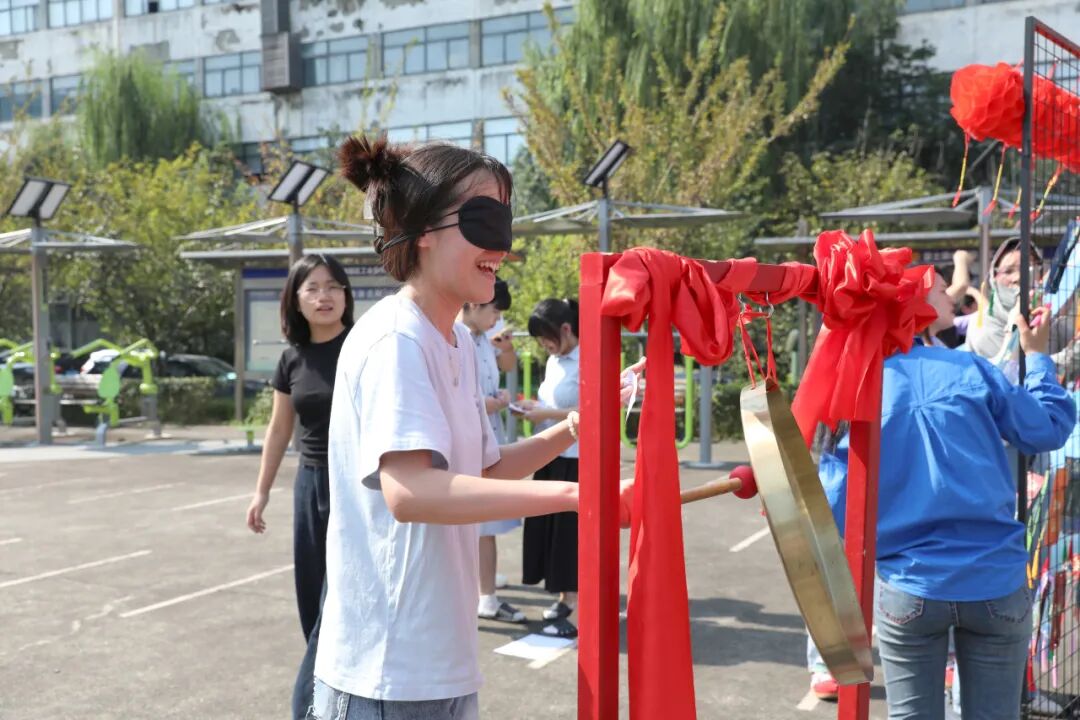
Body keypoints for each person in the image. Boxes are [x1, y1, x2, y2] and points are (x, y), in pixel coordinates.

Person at [310, 135, 633, 720]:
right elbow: (412, 492)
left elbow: (487, 468)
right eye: (485, 220)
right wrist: (579, 495)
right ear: (424, 231)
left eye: (504, 222)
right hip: (387, 671)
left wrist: (577, 425)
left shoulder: (455, 339)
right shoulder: (396, 339)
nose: (501, 247)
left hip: (440, 659)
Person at [817, 271, 1074, 719]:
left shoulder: (855, 389)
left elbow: (835, 504)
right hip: (995, 577)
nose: (946, 293)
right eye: (934, 287)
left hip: (909, 582)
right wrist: (1036, 357)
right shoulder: (968, 369)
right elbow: (1047, 427)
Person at [245, 253, 354, 720]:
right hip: (311, 485)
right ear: (296, 299)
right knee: (312, 599)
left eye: (332, 286)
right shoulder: (292, 358)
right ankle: (329, 693)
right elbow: (278, 429)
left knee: (340, 600)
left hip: (357, 485)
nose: (324, 296)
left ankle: (309, 707)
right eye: (312, 288)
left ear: (346, 294)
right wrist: (261, 491)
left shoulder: (362, 346)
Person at [513, 298, 582, 638]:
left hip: (576, 456)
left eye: (547, 338)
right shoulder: (555, 361)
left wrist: (545, 414)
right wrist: (534, 407)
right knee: (549, 530)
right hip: (549, 452)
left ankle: (574, 602)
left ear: (566, 329)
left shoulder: (587, 358)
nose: (544, 345)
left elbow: (591, 407)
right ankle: (565, 597)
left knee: (569, 532)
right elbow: (554, 402)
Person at [459, 279, 525, 624]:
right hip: (470, 438)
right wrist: (484, 403)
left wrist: (507, 348)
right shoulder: (454, 336)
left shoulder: (483, 337)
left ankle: (483, 580)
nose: (496, 319)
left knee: (485, 519)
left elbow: (506, 366)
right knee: (483, 520)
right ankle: (486, 596)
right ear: (473, 304)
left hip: (488, 432)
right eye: (494, 311)